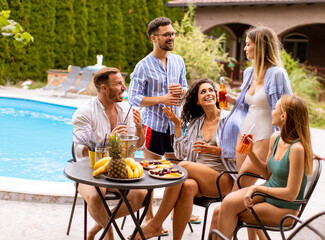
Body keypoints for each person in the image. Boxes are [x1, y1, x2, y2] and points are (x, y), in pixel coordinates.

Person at [134, 79, 233, 240]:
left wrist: (214, 150)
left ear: (216, 95)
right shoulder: (196, 123)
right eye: (203, 92)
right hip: (199, 181)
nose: (208, 93)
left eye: (210, 90)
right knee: (186, 186)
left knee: (183, 166)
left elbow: (240, 153)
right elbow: (180, 153)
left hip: (223, 178)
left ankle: (155, 224)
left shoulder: (229, 120)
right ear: (197, 101)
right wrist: (178, 125)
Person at [211, 95, 314, 240]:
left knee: (226, 211)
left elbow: (291, 194)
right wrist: (250, 152)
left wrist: (256, 188)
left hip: (283, 208)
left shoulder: (297, 149)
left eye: (275, 108)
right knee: (220, 209)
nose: (272, 110)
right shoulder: (276, 137)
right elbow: (267, 174)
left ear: (283, 116)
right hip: (267, 196)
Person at [128, 16, 189, 230]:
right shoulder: (143, 66)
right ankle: (149, 217)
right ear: (154, 38)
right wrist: (161, 99)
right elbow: (134, 97)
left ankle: (173, 213)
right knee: (151, 176)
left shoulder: (178, 61)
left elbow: (185, 87)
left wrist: (181, 91)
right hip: (153, 126)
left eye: (172, 33)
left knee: (177, 173)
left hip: (175, 126)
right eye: (167, 34)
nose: (171, 37)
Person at [72, 67, 146, 240]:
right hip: (89, 171)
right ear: (104, 88)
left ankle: (97, 229)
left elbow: (139, 147)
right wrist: (107, 141)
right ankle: (109, 234)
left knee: (141, 195)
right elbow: (79, 149)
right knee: (98, 194)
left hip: (118, 168)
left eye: (123, 82)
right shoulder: (84, 112)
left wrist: (139, 130)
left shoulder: (125, 110)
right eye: (119, 83)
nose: (124, 87)